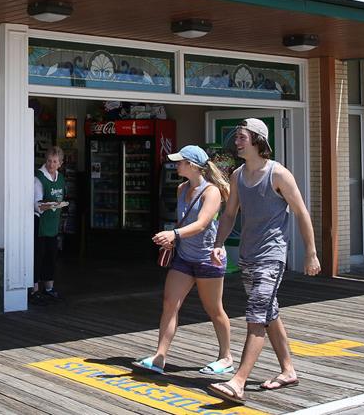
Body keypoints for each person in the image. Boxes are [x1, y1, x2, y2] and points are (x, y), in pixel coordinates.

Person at [207, 119, 320, 405]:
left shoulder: (278, 174)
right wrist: (218, 244)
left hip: (272, 256)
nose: (236, 142)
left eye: (241, 137)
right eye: (236, 137)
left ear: (257, 140)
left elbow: (301, 212)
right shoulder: (237, 176)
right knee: (269, 312)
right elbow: (229, 214)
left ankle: (238, 381)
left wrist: (311, 253)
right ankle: (288, 370)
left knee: (256, 315)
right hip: (248, 256)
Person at [132, 145, 233, 376]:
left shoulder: (211, 192)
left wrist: (174, 235)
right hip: (185, 257)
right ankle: (159, 357)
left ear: (193, 166)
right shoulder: (181, 188)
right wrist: (174, 240)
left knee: (214, 309)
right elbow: (184, 222)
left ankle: (226, 357)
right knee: (169, 303)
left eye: (180, 161)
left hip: (208, 258)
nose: (176, 165)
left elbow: (202, 223)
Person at [32, 146, 68, 303]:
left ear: (60, 163)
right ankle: (34, 290)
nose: (51, 164)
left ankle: (49, 288)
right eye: (49, 161)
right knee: (38, 255)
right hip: (40, 222)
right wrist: (51, 205)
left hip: (53, 223)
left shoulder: (60, 178)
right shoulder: (39, 178)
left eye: (54, 161)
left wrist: (58, 205)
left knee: (51, 255)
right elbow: (36, 204)